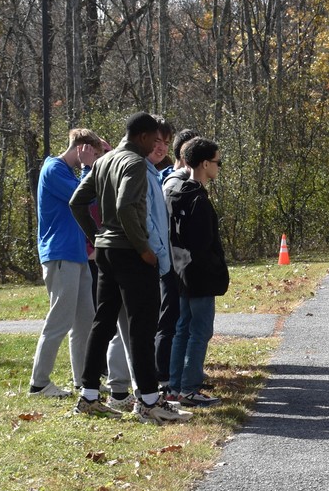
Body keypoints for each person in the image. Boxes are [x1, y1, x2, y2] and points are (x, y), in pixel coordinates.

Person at [69, 111, 190, 423]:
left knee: (104, 322)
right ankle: (149, 401)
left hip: (107, 251)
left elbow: (77, 201)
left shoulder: (104, 162)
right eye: (154, 139)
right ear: (142, 136)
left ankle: (89, 395)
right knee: (142, 326)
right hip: (130, 253)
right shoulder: (135, 163)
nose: (155, 145)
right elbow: (125, 206)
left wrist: (97, 236)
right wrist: (144, 249)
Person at [29, 128, 104, 397]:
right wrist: (88, 168)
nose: (96, 159)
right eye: (93, 153)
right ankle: (39, 383)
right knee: (59, 320)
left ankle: (83, 380)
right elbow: (83, 197)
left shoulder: (67, 172)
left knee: (85, 321)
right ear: (81, 148)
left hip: (78, 255)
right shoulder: (53, 169)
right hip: (60, 255)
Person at [167, 137, 229, 406]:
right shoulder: (198, 199)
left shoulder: (174, 190)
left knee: (182, 328)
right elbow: (203, 244)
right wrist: (216, 269)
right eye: (217, 162)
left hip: (179, 270)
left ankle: (175, 385)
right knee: (200, 331)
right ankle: (189, 388)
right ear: (204, 163)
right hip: (199, 275)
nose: (219, 167)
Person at [159, 128, 200, 396]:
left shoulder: (189, 182)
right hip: (171, 260)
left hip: (180, 261)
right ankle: (165, 376)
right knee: (170, 318)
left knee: (182, 320)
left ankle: (181, 375)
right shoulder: (171, 182)